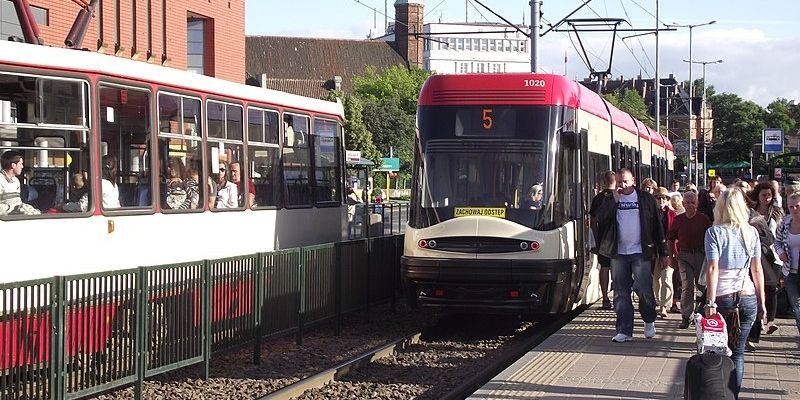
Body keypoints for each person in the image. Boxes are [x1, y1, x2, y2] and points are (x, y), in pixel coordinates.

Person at [704, 187, 766, 397]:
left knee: (717, 352)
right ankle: (733, 395)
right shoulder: (751, 232)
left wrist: (710, 302)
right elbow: (757, 270)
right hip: (747, 296)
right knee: (738, 353)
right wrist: (762, 301)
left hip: (722, 298)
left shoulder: (714, 233)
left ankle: (717, 393)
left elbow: (712, 268)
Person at [594, 168, 668, 342]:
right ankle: (624, 330)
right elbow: (601, 219)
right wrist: (614, 201)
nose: (622, 185)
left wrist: (663, 252)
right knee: (620, 292)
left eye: (625, 182)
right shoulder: (609, 198)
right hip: (618, 252)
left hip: (641, 251)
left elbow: (657, 227)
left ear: (633, 180)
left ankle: (649, 320)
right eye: (619, 182)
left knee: (644, 289)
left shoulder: (645, 198)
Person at [667, 190, 712, 329]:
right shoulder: (678, 220)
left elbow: (710, 238)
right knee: (687, 285)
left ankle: (700, 312)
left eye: (693, 202)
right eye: (688, 202)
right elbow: (670, 239)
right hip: (684, 255)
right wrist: (671, 257)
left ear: (697, 203)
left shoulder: (703, 219)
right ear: (683, 204)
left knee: (702, 285)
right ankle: (686, 315)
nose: (690, 205)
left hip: (700, 255)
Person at [774, 192, 800, 336]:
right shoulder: (784, 223)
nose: (794, 209)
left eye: (797, 206)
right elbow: (777, 240)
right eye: (791, 206)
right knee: (797, 308)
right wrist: (780, 252)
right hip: (790, 272)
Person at [589, 171, 616, 310]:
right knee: (618, 268)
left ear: (604, 181)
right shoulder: (620, 196)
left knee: (604, 268)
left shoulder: (598, 198)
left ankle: (605, 298)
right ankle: (618, 296)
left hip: (603, 239)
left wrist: (596, 237)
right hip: (618, 239)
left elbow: (593, 222)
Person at [653, 187, 676, 318]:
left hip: (667, 250)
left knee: (667, 278)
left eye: (664, 198)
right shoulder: (650, 214)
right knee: (656, 279)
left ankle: (664, 306)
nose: (661, 201)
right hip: (654, 250)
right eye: (658, 198)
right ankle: (658, 302)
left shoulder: (672, 214)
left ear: (668, 200)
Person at [0, 151, 40, 216]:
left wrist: (25, 208)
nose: (22, 167)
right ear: (13, 165)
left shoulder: (16, 181)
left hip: (16, 216)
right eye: (20, 164)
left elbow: (17, 202)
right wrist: (15, 209)